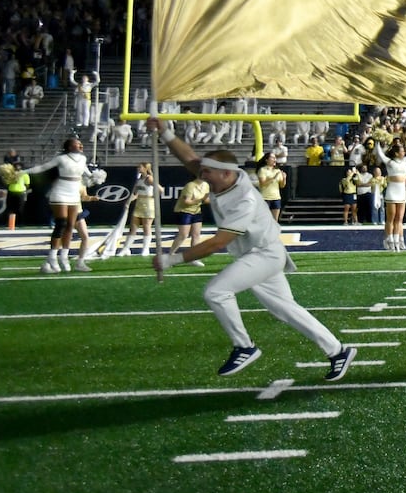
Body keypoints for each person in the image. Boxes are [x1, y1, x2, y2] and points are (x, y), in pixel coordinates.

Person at [147, 119, 357, 381]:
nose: (202, 177)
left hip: (264, 256)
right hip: (258, 255)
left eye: (208, 173)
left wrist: (172, 260)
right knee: (287, 309)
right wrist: (164, 132)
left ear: (225, 173)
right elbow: (190, 159)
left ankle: (244, 346)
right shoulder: (224, 178)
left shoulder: (243, 199)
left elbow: (217, 243)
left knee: (216, 292)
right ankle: (338, 351)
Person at [27, 137, 89, 273]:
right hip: (60, 192)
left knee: (70, 226)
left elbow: (86, 172)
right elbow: (43, 167)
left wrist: (95, 177)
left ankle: (64, 256)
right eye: (77, 144)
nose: (80, 145)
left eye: (80, 143)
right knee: (61, 224)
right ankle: (53, 256)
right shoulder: (61, 159)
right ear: (70, 147)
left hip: (74, 195)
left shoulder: (83, 159)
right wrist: (23, 172)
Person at [375, 138, 406, 250]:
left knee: (399, 218)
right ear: (397, 153)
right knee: (391, 218)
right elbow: (379, 153)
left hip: (401, 192)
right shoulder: (390, 162)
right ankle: (389, 239)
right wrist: (377, 142)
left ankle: (398, 240)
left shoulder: (405, 161)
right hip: (392, 192)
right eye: (402, 151)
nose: (404, 152)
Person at [118, 162, 164, 256]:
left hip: (148, 204)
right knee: (133, 227)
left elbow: (160, 189)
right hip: (139, 204)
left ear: (145, 168)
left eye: (140, 167)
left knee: (146, 227)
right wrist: (128, 202)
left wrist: (153, 197)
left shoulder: (149, 178)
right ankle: (126, 248)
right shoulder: (138, 179)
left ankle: (145, 249)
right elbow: (135, 193)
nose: (138, 168)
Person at [169, 176, 209, 267]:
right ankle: (170, 255)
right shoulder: (190, 186)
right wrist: (201, 199)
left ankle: (194, 258)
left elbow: (206, 200)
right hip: (183, 211)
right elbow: (186, 201)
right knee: (183, 235)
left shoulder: (206, 185)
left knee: (196, 235)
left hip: (196, 211)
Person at [0, 153, 31, 230]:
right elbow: (6, 182)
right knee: (10, 208)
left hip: (20, 193)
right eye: (16, 165)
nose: (17, 166)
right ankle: (9, 223)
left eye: (19, 165)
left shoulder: (24, 174)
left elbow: (27, 184)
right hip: (11, 192)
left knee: (20, 209)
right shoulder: (10, 174)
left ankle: (20, 223)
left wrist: (23, 190)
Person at [256, 152, 287, 222]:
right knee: (264, 220)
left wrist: (284, 178)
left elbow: (282, 186)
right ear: (267, 160)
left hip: (276, 198)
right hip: (265, 198)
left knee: (275, 221)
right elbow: (263, 183)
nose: (274, 160)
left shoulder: (277, 170)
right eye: (272, 158)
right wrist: (274, 177)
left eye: (275, 158)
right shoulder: (262, 170)